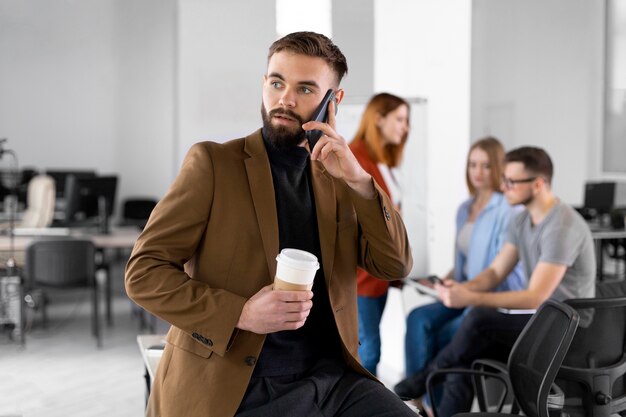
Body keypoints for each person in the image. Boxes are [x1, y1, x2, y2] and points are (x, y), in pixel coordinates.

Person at [125, 31, 415, 417]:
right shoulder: (213, 165)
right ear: (264, 83)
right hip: (242, 385)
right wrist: (241, 313)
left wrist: (361, 182)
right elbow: (143, 274)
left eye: (306, 89)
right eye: (276, 82)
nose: (285, 99)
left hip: (334, 381)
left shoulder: (342, 178)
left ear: (334, 101)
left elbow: (394, 265)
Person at [394, 146, 596, 417]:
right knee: (467, 356)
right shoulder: (523, 220)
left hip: (568, 332)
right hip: (542, 323)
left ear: (538, 184)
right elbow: (495, 273)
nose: (504, 187)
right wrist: (462, 288)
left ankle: (422, 380)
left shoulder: (562, 226)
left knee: (479, 318)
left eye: (511, 181)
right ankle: (438, 404)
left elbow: (536, 297)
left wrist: (470, 298)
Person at [404, 137, 525, 379]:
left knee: (442, 335)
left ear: (498, 168)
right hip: (463, 291)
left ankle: (429, 400)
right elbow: (464, 262)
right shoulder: (464, 209)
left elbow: (495, 271)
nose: (478, 172)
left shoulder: (508, 209)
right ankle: (417, 402)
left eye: (486, 165)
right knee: (418, 318)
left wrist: (462, 291)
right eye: (473, 164)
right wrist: (438, 283)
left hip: (489, 298)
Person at [348, 92, 410, 376]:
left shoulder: (381, 160)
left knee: (370, 346)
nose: (405, 127)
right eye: (399, 119)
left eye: (406, 120)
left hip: (380, 277)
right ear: (378, 118)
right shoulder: (355, 159)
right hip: (362, 278)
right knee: (368, 349)